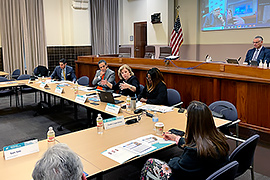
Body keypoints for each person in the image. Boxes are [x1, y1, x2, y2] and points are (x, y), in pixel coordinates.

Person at [141, 101, 229, 180]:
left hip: (190, 176)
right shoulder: (218, 138)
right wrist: (177, 138)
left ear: (191, 123)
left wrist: (172, 159)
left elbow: (177, 167)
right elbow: (195, 144)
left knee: (151, 162)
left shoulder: (194, 152)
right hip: (208, 173)